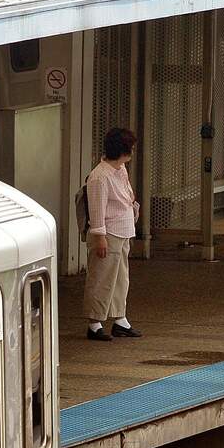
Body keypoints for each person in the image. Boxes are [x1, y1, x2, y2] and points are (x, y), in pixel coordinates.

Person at [83, 128, 142, 341]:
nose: (132, 151)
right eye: (130, 148)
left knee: (119, 279)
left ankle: (119, 319)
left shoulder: (119, 169)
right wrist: (100, 237)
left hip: (122, 231)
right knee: (101, 278)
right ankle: (94, 323)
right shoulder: (100, 177)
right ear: (123, 150)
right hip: (108, 234)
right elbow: (97, 210)